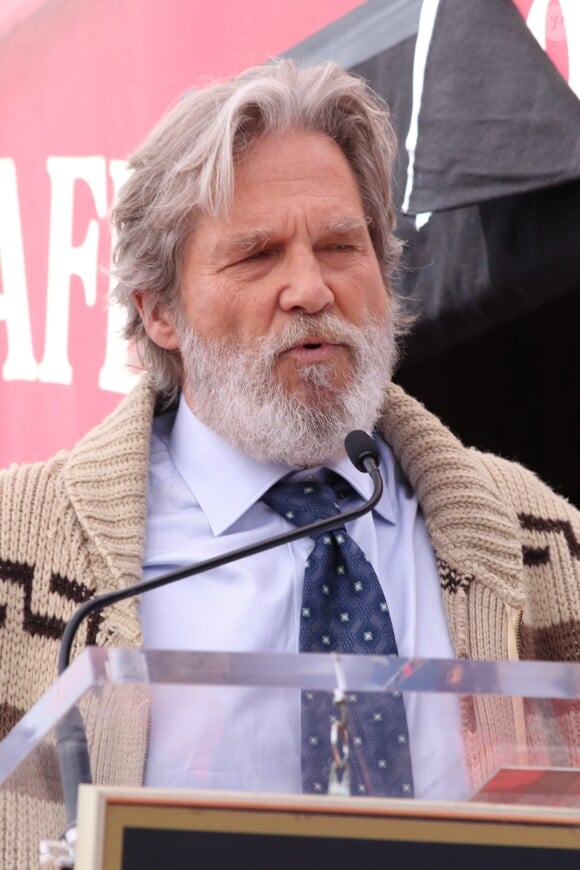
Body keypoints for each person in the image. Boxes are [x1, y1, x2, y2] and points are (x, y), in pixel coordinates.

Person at [0, 58, 578, 863]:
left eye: (341, 246)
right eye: (257, 255)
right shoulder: (17, 551)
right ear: (159, 311)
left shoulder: (540, 538)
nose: (310, 288)